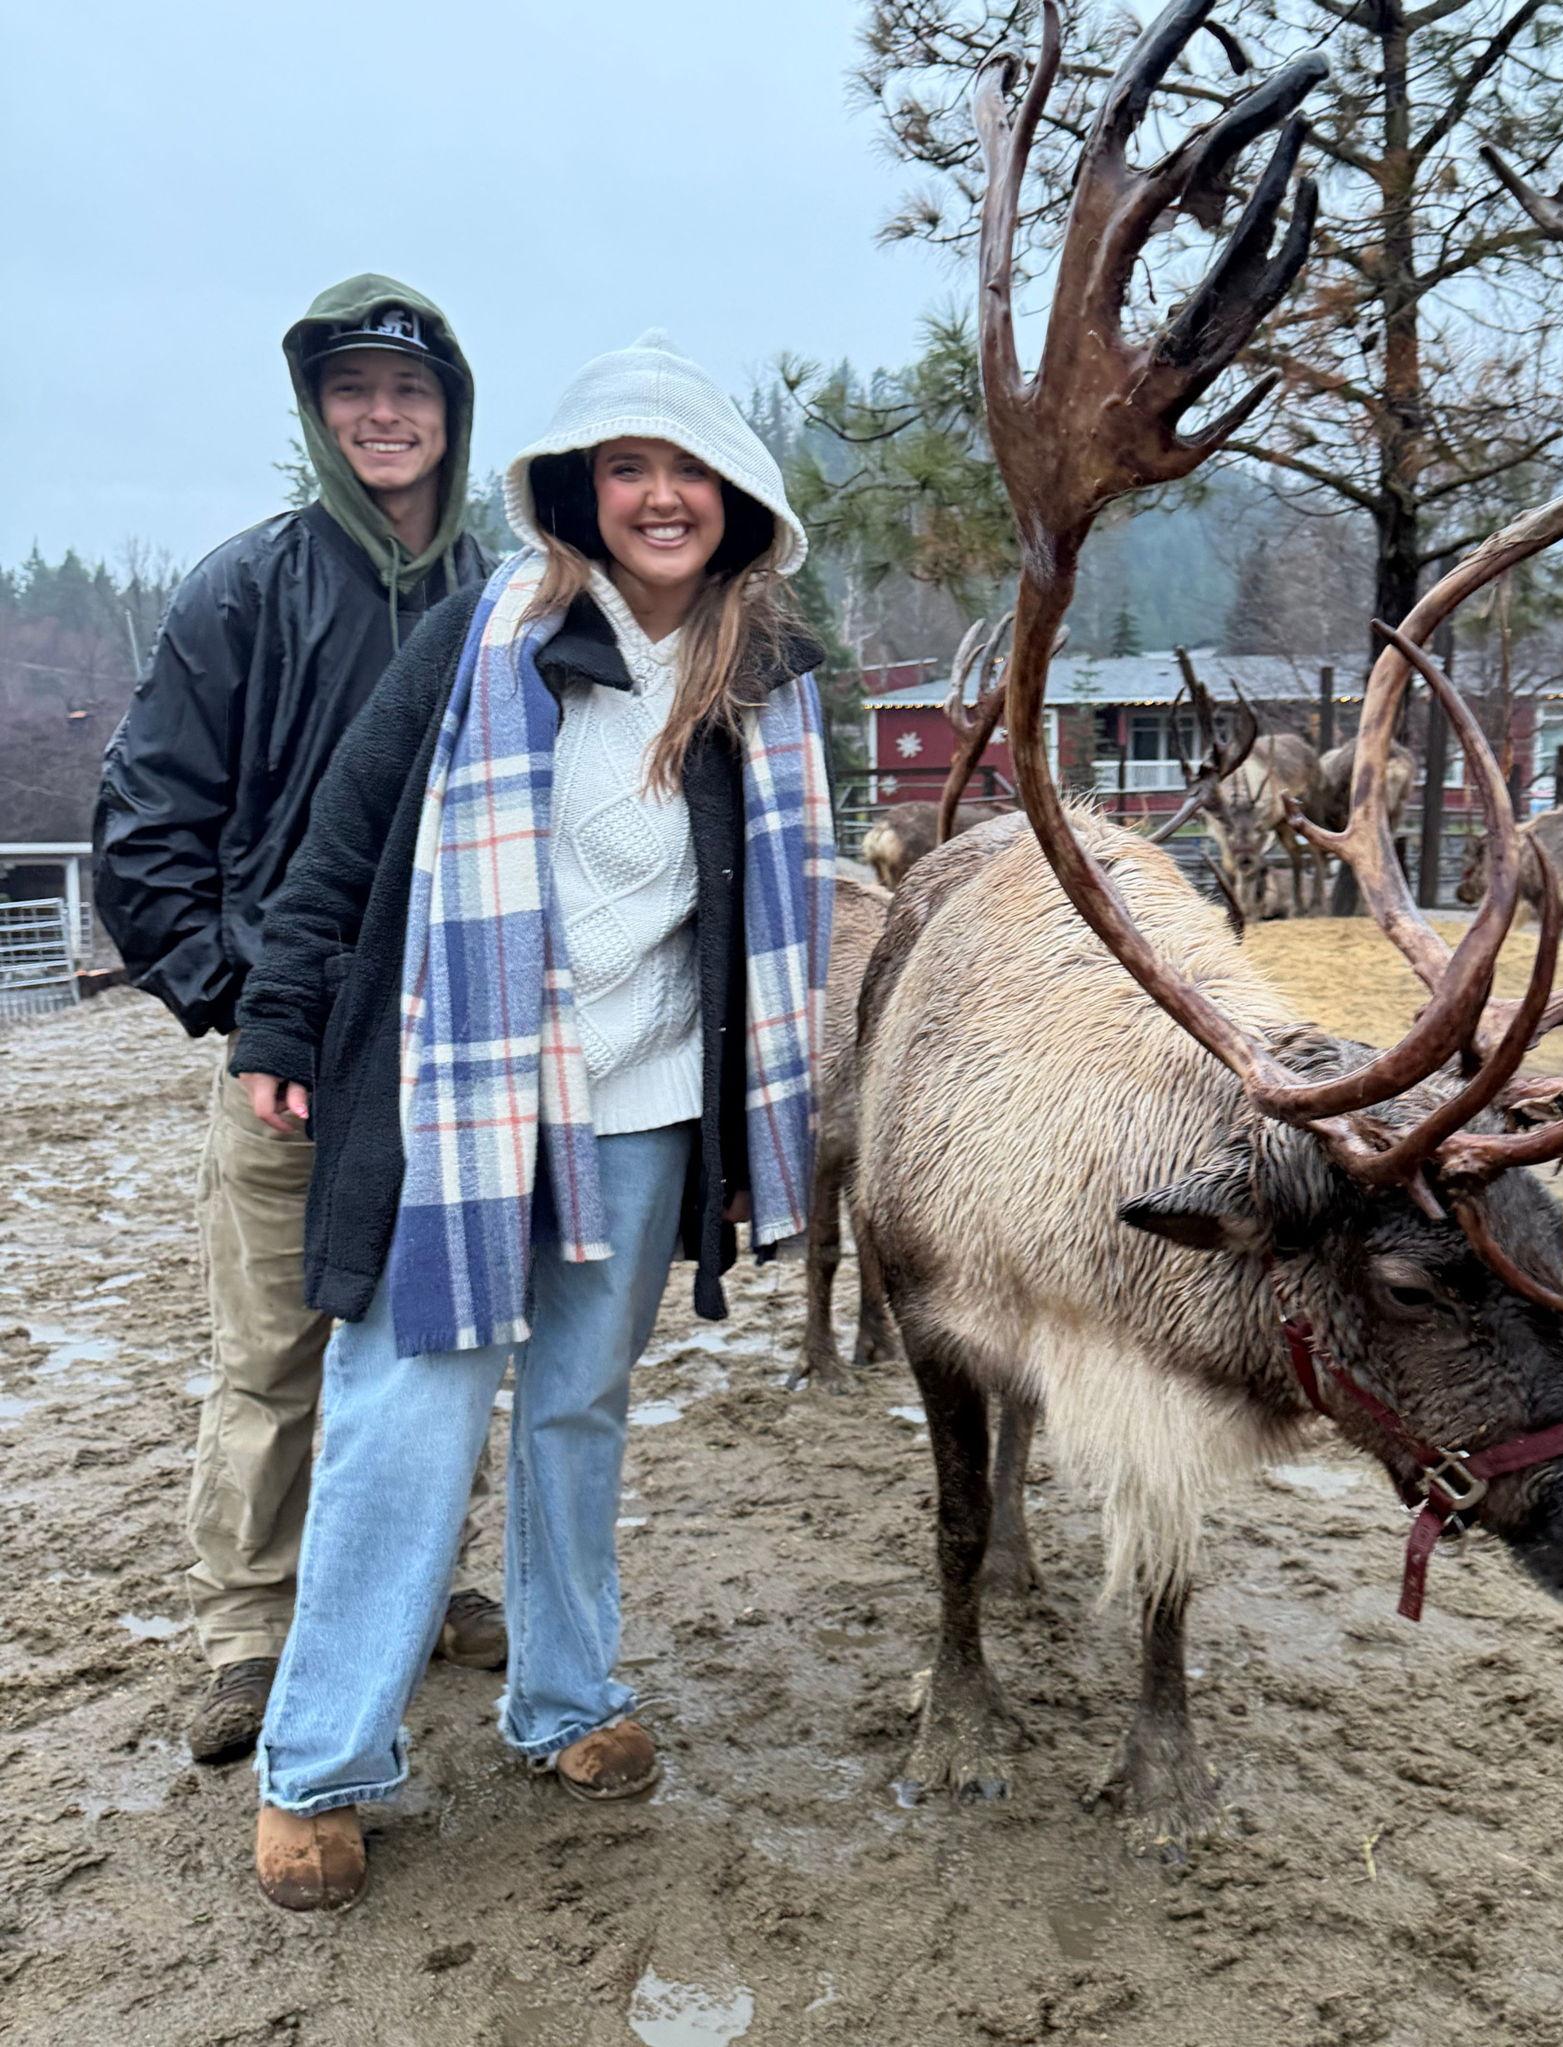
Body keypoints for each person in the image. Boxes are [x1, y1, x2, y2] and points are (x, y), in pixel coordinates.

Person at [226, 331, 834, 1912]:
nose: (657, 496)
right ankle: (321, 1760)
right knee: (401, 1411)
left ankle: (565, 1698)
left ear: (735, 498)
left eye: (684, 469)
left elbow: (776, 912)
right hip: (461, 1093)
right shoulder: (477, 641)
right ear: (578, 492)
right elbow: (342, 835)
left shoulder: (764, 676)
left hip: (646, 1103)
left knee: (576, 1403)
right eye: (625, 468)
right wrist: (279, 1024)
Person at [95, 277, 506, 1767]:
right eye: (352, 390)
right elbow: (143, 822)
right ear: (317, 411)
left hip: (453, 1049)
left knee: (441, 1335)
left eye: (411, 389)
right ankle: (247, 1628)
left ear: (453, 412)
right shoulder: (243, 588)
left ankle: (427, 1576)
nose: (383, 413)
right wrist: (236, 1003)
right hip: (289, 1057)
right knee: (272, 1351)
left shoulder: (507, 590)